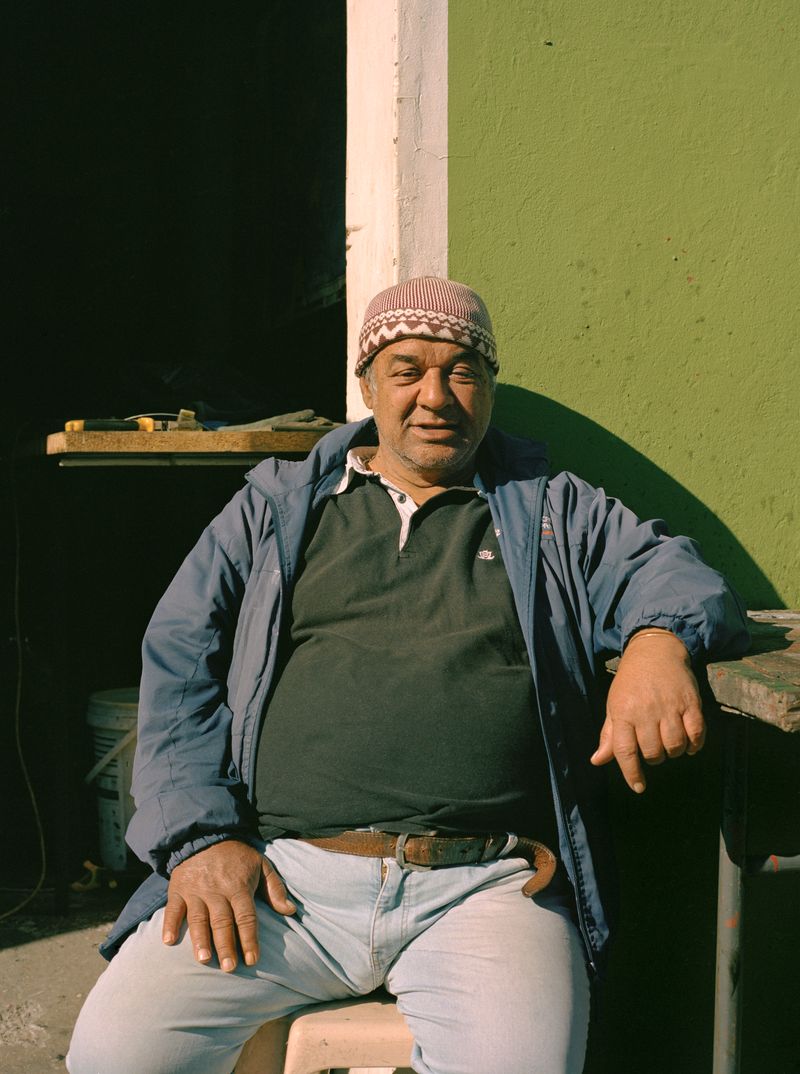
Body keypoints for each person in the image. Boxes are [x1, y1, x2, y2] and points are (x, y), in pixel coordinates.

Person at [68, 277, 749, 1074]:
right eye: (407, 370)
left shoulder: (552, 510)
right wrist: (199, 840)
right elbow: (180, 660)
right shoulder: (277, 509)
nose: (437, 397)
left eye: (463, 371)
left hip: (487, 889)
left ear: (489, 386)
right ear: (366, 385)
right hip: (282, 880)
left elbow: (673, 570)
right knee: (116, 1058)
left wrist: (659, 644)